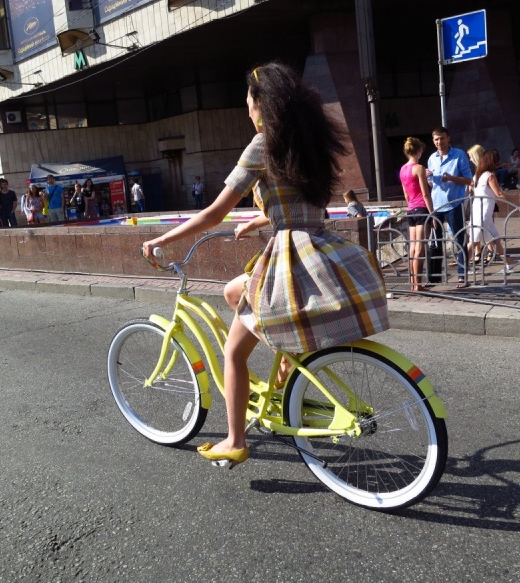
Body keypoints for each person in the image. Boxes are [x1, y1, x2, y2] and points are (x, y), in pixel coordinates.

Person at [141, 62, 389, 468]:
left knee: (233, 353)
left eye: (248, 102)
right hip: (321, 246)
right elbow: (304, 205)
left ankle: (234, 440)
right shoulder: (309, 143)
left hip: (289, 254)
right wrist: (262, 219)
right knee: (233, 291)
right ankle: (284, 370)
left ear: (262, 104)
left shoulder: (262, 145)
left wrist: (162, 239)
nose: (247, 109)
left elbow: (214, 213)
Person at [427, 126, 473, 288]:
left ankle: (462, 275)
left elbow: (469, 180)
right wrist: (427, 177)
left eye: (442, 138)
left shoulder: (459, 154)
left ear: (448, 138)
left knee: (459, 240)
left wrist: (452, 178)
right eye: (436, 139)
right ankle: (435, 277)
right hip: (436, 205)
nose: (439, 142)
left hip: (454, 204)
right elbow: (431, 184)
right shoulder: (431, 158)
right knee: (436, 242)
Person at [468, 150, 517, 272]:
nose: (498, 161)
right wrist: (512, 201)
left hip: (479, 211)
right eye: (497, 159)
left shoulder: (477, 176)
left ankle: (508, 262)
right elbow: (498, 193)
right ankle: (462, 266)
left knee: (495, 238)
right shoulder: (490, 176)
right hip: (484, 212)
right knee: (474, 240)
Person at [399, 137, 434, 291]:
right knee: (420, 247)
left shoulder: (402, 169)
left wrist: (411, 205)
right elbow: (426, 194)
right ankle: (418, 284)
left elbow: (406, 195)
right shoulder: (419, 168)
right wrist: (432, 214)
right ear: (419, 151)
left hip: (411, 209)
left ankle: (413, 283)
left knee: (412, 248)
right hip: (421, 208)